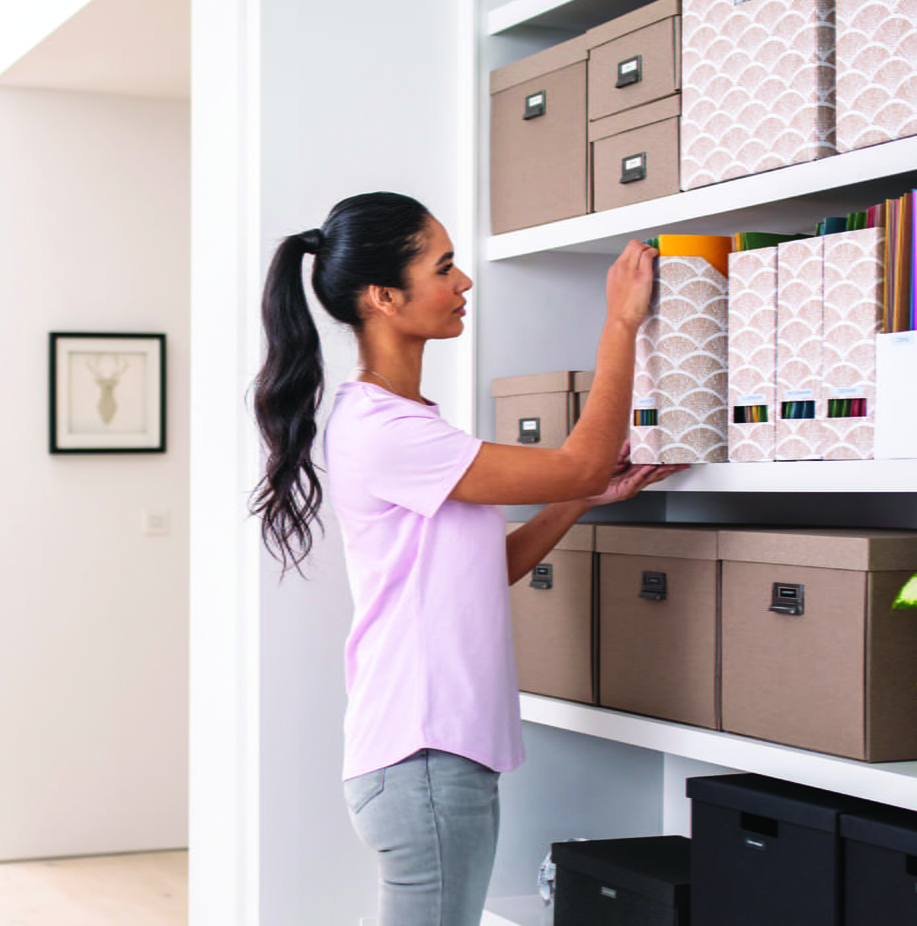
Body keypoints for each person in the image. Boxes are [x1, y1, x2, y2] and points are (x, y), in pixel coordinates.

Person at [251, 190, 684, 925]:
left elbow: (489, 565)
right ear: (386, 297)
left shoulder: (406, 425)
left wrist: (578, 500)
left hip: (426, 754)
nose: (465, 284)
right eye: (444, 267)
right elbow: (579, 460)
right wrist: (620, 322)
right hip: (423, 757)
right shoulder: (386, 430)